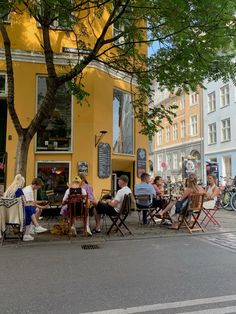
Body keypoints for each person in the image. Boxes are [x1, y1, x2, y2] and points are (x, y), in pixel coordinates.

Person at [4, 174, 47, 241]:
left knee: (29, 209)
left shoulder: (9, 190)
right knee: (29, 209)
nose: (23, 185)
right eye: (23, 183)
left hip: (7, 214)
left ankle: (34, 228)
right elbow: (25, 203)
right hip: (16, 215)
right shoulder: (19, 190)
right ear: (21, 183)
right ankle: (31, 230)